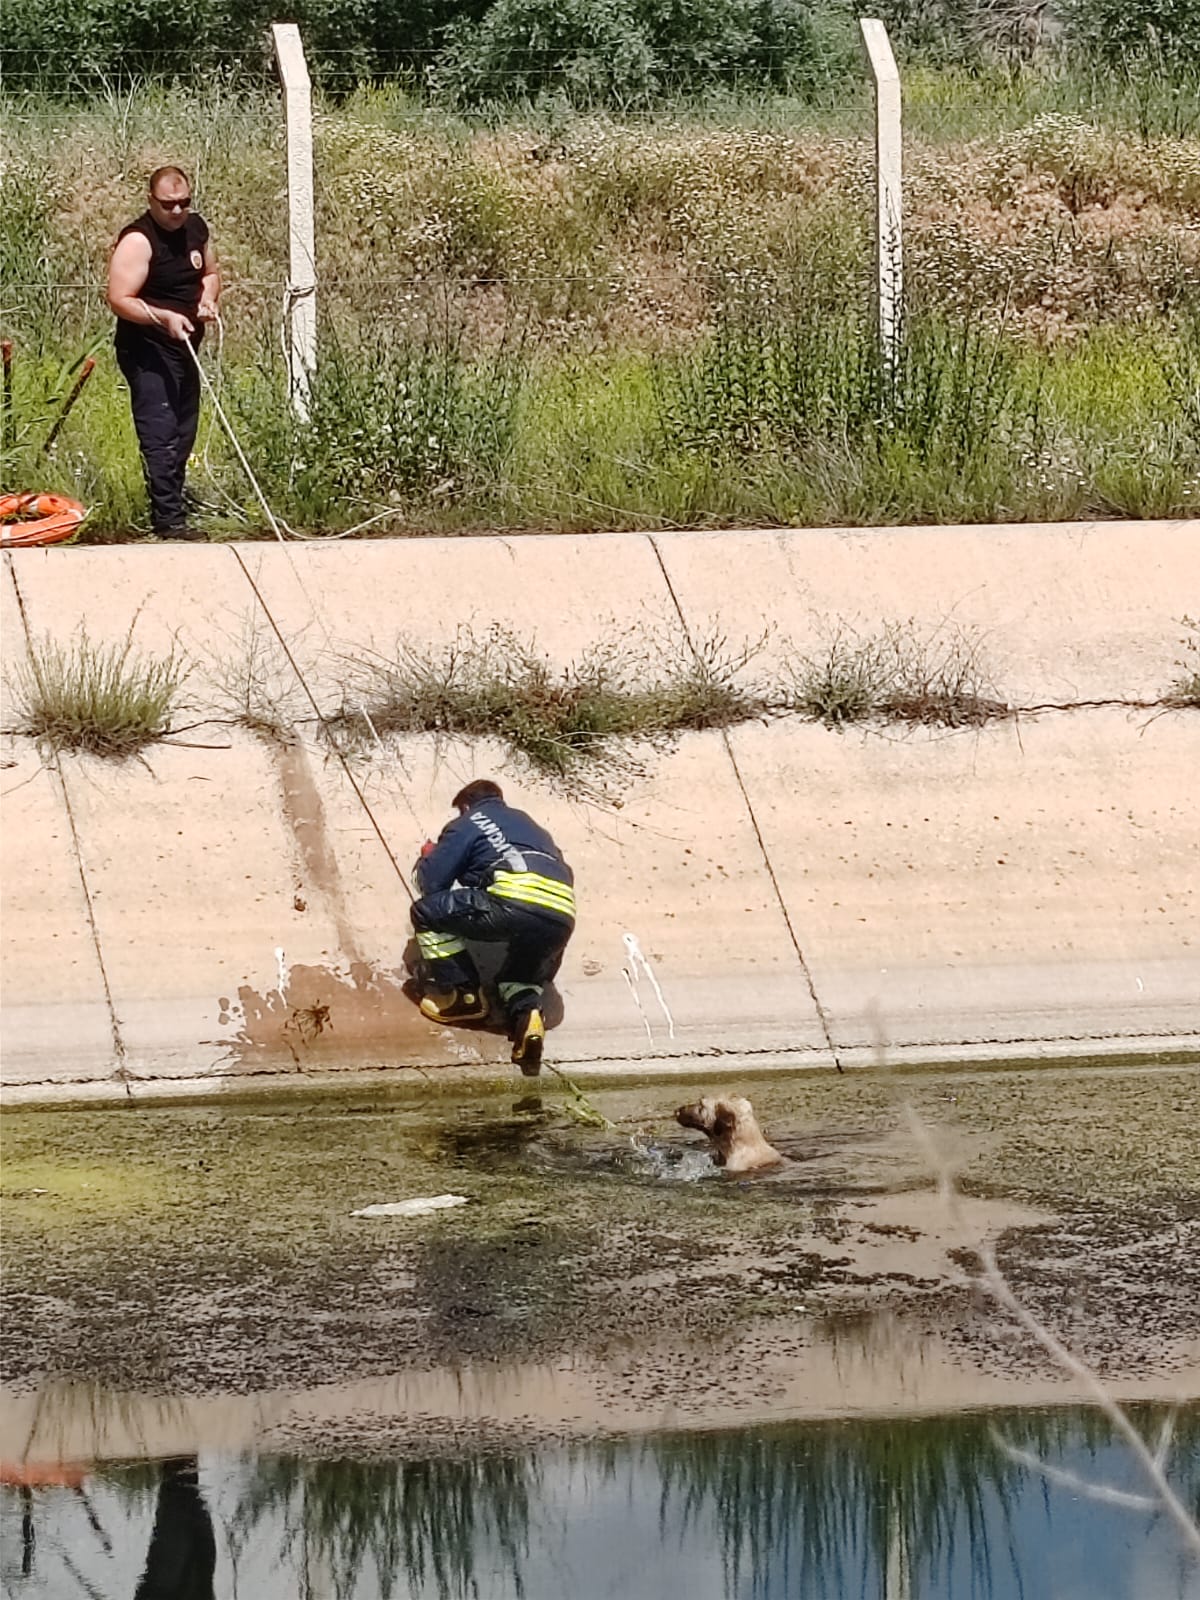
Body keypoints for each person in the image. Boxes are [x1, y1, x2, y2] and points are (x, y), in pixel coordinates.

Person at [411, 779, 576, 1076]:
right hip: (561, 916)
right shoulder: (533, 827)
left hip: (513, 903)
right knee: (519, 974)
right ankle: (526, 1012)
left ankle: (464, 997)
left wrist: (428, 858)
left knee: (426, 913)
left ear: (464, 805)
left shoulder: (468, 821)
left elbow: (432, 884)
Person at [106, 166, 220, 541]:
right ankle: (168, 520)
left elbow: (210, 274)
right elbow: (120, 299)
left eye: (184, 203)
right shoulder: (139, 240)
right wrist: (164, 317)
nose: (177, 211)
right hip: (147, 345)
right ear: (151, 201)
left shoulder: (196, 229)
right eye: (169, 204)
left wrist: (207, 300)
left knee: (185, 429)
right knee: (161, 430)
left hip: (185, 342)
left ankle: (175, 504)